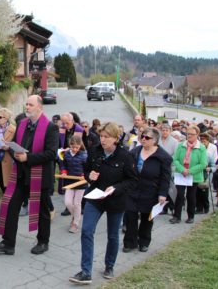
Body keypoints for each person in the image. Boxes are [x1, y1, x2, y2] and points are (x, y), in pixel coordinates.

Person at [69, 122, 138, 285]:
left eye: (107, 137)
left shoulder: (125, 156)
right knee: (86, 231)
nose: (103, 139)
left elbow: (133, 180)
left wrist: (116, 187)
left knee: (113, 235)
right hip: (95, 198)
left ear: (116, 138)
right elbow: (85, 171)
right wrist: (89, 176)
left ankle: (109, 265)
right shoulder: (95, 151)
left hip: (116, 200)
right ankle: (86, 272)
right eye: (101, 136)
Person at [0, 95, 59, 256]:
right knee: (10, 206)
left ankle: (43, 242)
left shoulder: (50, 127)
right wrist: (10, 150)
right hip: (20, 174)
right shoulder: (21, 124)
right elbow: (15, 146)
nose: (27, 107)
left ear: (39, 107)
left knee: (42, 211)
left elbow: (51, 154)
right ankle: (8, 243)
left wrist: (28, 158)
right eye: (26, 104)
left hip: (40, 176)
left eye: (30, 104)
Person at [124, 128, 171, 252]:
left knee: (147, 218)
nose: (143, 139)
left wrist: (162, 193)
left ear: (155, 140)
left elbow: (165, 178)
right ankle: (130, 242)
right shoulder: (134, 152)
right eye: (142, 136)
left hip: (151, 191)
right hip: (133, 189)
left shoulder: (163, 157)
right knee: (130, 216)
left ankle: (144, 241)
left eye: (147, 137)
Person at [170, 125, 207, 224]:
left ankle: (191, 216)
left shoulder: (201, 147)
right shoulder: (181, 145)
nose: (189, 136)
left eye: (192, 134)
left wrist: (189, 171)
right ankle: (176, 216)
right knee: (179, 195)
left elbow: (203, 163)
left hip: (193, 175)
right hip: (181, 174)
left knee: (191, 196)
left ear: (197, 135)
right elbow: (176, 159)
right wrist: (182, 169)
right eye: (188, 134)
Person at [60, 135, 88, 233]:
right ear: (70, 145)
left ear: (80, 146)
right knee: (68, 202)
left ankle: (75, 223)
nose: (75, 149)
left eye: (77, 147)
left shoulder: (84, 155)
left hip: (81, 183)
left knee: (77, 203)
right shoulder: (66, 154)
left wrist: (84, 175)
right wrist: (63, 172)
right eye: (73, 147)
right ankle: (76, 216)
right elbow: (63, 164)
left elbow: (87, 168)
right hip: (70, 182)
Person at [59, 113, 84, 215]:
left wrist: (69, 149)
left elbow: (79, 145)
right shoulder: (62, 128)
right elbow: (59, 140)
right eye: (63, 122)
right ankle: (68, 206)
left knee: (78, 183)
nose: (64, 125)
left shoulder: (78, 129)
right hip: (65, 157)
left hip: (77, 158)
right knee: (67, 181)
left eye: (66, 123)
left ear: (72, 121)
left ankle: (78, 206)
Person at [0, 108, 16, 193]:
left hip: (7, 159)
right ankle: (6, 195)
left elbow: (16, 144)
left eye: (0, 117)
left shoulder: (13, 129)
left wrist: (8, 147)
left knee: (7, 180)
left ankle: (9, 197)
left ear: (6, 119)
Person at [158, 123, 178, 215]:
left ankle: (172, 206)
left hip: (170, 166)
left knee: (170, 187)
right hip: (158, 166)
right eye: (163, 130)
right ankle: (163, 207)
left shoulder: (174, 142)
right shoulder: (158, 140)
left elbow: (175, 155)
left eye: (166, 130)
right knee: (162, 187)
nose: (164, 132)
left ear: (170, 131)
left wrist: (167, 160)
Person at [197, 133, 217, 214]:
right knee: (196, 193)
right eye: (201, 142)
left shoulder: (208, 155)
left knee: (204, 193)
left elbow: (214, 167)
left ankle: (206, 207)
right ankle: (199, 208)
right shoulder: (196, 153)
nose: (203, 143)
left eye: (204, 142)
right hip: (197, 175)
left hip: (205, 176)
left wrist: (210, 168)